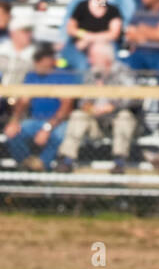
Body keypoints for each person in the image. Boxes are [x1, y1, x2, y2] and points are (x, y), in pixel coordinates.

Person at [55, 42, 139, 174]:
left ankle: (119, 162)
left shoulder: (123, 71)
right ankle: (66, 159)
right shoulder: (91, 73)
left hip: (116, 120)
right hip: (96, 122)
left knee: (124, 117)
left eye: (92, 57)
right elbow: (83, 102)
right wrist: (91, 108)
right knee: (78, 115)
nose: (89, 60)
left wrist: (112, 106)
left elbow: (134, 98)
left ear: (105, 58)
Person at [4, 45, 75, 171]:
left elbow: (65, 108)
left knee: (58, 136)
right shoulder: (32, 76)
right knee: (13, 134)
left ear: (50, 60)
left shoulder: (63, 76)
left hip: (58, 122)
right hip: (35, 120)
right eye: (36, 60)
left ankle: (42, 165)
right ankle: (27, 164)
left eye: (41, 60)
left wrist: (47, 129)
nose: (37, 64)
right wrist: (14, 122)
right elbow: (23, 102)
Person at [63, 0, 122, 72]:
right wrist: (83, 36)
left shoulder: (113, 10)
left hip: (103, 46)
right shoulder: (81, 7)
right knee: (82, 65)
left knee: (111, 65)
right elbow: (70, 29)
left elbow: (114, 34)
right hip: (80, 46)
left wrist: (89, 38)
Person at [0, 5, 37, 86]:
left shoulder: (37, 54)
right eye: (25, 31)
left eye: (30, 31)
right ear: (13, 33)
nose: (29, 34)